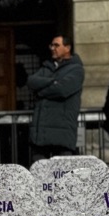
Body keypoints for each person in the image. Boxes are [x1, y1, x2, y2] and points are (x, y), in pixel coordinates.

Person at [26, 34, 84, 163]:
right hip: (40, 136)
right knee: (39, 176)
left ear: (67, 47)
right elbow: (31, 82)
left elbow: (62, 90)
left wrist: (40, 91)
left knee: (63, 177)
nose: (52, 48)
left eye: (56, 45)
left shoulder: (76, 70)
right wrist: (53, 81)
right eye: (51, 45)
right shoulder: (46, 67)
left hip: (62, 135)